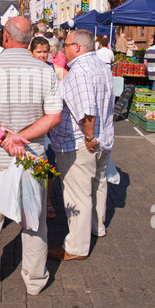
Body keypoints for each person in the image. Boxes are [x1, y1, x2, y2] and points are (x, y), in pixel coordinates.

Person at [0, 16, 63, 295]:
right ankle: (34, 279)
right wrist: (23, 137)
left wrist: (6, 137)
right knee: (33, 219)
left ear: (5, 38)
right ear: (30, 39)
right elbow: (54, 116)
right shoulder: (46, 70)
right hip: (32, 157)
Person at [48, 29, 114, 261]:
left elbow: (87, 112)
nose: (63, 49)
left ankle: (76, 246)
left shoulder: (80, 71)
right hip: (102, 139)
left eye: (65, 45)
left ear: (77, 47)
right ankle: (96, 227)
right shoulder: (101, 66)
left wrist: (88, 137)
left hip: (81, 143)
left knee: (78, 193)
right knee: (97, 185)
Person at [29, 36, 62, 220]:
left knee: (48, 163)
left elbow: (68, 78)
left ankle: (47, 201)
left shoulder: (53, 69)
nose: (42, 55)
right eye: (38, 52)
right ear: (31, 53)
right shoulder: (26, 69)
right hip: (29, 121)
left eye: (45, 52)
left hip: (48, 124)